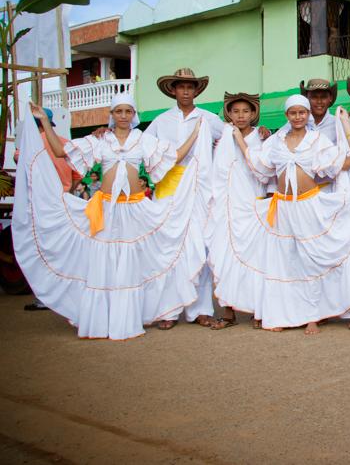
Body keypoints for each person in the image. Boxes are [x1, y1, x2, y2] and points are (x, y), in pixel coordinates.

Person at [13, 95, 206, 339]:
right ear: (112, 114)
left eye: (127, 111)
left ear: (133, 114)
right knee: (104, 261)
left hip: (135, 208)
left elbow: (175, 156)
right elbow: (61, 151)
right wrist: (42, 118)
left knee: (133, 261)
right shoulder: (101, 140)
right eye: (119, 111)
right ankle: (101, 320)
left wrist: (196, 132)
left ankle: (129, 318)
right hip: (105, 209)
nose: (123, 116)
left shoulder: (143, 140)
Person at [209, 95, 350, 333]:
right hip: (282, 207)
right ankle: (280, 315)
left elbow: (338, 165)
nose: (298, 117)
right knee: (282, 261)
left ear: (308, 114)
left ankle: (313, 316)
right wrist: (240, 140)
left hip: (308, 204)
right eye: (293, 113)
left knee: (309, 260)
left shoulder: (317, 140)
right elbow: (259, 164)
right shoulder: (277, 140)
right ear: (287, 115)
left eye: (302, 112)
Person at [145, 68, 224, 330]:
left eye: (190, 87)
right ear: (173, 90)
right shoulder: (161, 121)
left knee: (200, 249)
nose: (186, 91)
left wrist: (259, 135)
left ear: (196, 90)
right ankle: (169, 309)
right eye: (181, 87)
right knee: (169, 250)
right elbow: (142, 148)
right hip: (170, 189)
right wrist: (106, 130)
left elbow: (230, 141)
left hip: (200, 190)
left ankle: (200, 309)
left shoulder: (209, 119)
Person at [14, 108, 81, 311]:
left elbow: (20, 162)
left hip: (42, 205)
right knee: (66, 250)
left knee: (44, 249)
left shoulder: (30, 146)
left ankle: (46, 296)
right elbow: (78, 176)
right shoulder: (65, 143)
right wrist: (67, 191)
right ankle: (69, 294)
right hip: (65, 201)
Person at [208, 92, 264, 330]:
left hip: (251, 204)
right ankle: (228, 311)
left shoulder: (262, 138)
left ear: (253, 114)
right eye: (236, 111)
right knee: (225, 255)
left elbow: (263, 168)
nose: (241, 116)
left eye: (246, 111)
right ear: (229, 114)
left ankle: (257, 310)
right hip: (226, 206)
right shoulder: (222, 136)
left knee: (255, 257)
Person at [301, 79, 339, 143]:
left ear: (330, 98)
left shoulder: (338, 124)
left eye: (323, 97)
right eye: (314, 97)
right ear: (306, 98)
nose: (319, 101)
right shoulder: (297, 122)